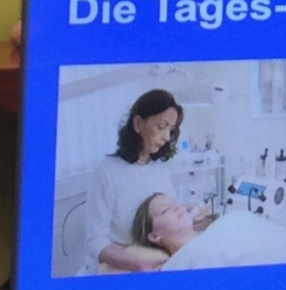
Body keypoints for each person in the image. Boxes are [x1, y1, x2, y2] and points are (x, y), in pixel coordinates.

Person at [82, 89, 209, 271]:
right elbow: (94, 241)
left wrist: (187, 211)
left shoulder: (158, 168)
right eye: (161, 126)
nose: (167, 137)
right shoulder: (108, 171)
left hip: (159, 259)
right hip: (122, 266)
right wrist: (137, 264)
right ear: (138, 123)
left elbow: (161, 214)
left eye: (171, 130)